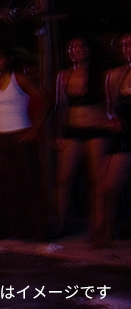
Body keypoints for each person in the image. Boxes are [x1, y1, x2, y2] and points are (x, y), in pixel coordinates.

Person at [0, 46, 50, 241]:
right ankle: (2, 229)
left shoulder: (20, 79)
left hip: (18, 135)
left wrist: (34, 129)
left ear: (8, 59)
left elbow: (44, 100)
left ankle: (33, 230)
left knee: (26, 184)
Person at [54, 37, 112, 237]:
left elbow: (110, 102)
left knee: (97, 181)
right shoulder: (63, 76)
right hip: (73, 129)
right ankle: (61, 224)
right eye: (72, 46)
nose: (76, 50)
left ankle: (99, 227)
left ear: (89, 49)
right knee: (63, 179)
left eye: (81, 45)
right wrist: (59, 133)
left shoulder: (101, 74)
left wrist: (109, 120)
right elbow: (61, 106)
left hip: (96, 129)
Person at [100, 33, 131, 247]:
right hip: (126, 135)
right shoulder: (118, 74)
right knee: (111, 187)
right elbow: (110, 109)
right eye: (124, 44)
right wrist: (113, 119)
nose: (127, 47)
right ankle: (106, 234)